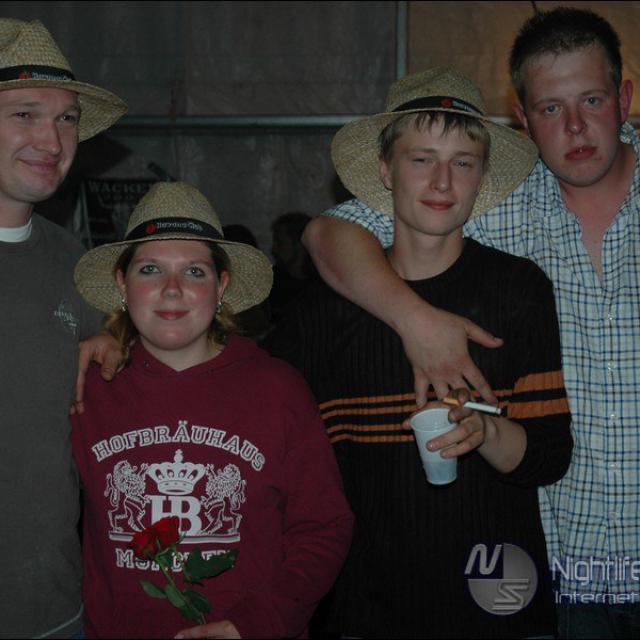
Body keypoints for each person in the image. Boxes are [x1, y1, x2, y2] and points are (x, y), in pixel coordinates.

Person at [303, 7, 640, 638]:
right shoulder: (486, 205)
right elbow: (327, 234)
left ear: (623, 99)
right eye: (550, 107)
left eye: (591, 100)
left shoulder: (482, 208)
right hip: (560, 576)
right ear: (523, 118)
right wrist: (416, 320)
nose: (574, 126)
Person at [265, 68, 572, 638]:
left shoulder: (518, 289)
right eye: (421, 158)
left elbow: (549, 457)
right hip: (364, 606)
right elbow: (261, 431)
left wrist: (485, 431)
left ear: (482, 177)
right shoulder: (321, 313)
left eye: (463, 162)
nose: (442, 181)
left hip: (499, 603)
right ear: (385, 170)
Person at [71, 181, 354, 639]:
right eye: (150, 269)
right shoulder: (86, 389)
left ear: (221, 286)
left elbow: (323, 527)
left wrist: (257, 623)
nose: (172, 289)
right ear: (123, 284)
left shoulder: (278, 389)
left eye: (195, 272)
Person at [0, 18, 127, 638]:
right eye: (25, 114)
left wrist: (114, 340)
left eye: (67, 118)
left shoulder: (72, 262)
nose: (52, 140)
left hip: (52, 608)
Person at [268, 211, 317, 324]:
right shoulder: (270, 283)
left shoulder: (319, 286)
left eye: (280, 242)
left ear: (299, 243)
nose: (273, 249)